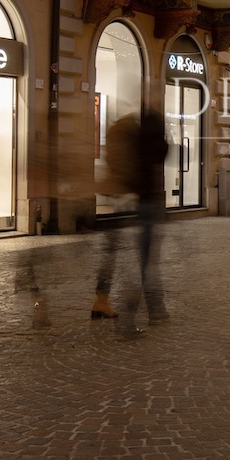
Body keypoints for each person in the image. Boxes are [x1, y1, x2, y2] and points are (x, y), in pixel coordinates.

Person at [93, 108, 170, 333]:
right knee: (143, 263)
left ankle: (103, 299)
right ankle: (147, 312)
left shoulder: (124, 132)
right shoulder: (144, 137)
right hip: (140, 203)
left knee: (119, 258)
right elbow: (160, 155)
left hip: (122, 200)